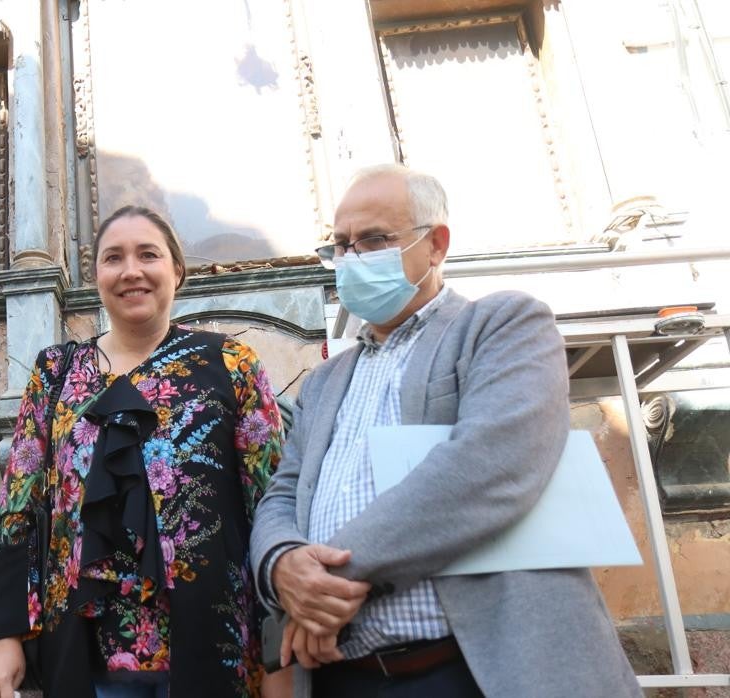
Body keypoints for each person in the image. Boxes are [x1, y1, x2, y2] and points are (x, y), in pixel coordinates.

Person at [250, 164, 641, 697]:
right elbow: (283, 493)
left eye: (374, 239)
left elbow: (489, 467)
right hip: (345, 679)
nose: (353, 258)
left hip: (478, 668)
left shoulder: (502, 326)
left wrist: (322, 585)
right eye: (341, 245)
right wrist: (282, 567)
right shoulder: (323, 382)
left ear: (435, 245)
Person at [0, 206, 285, 697]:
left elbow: (271, 500)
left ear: (176, 271)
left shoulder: (230, 363)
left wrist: (281, 640)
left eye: (148, 254)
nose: (131, 271)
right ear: (97, 276)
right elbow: (18, 506)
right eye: (113, 258)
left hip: (215, 642)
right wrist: (4, 633)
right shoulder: (56, 373)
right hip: (84, 651)